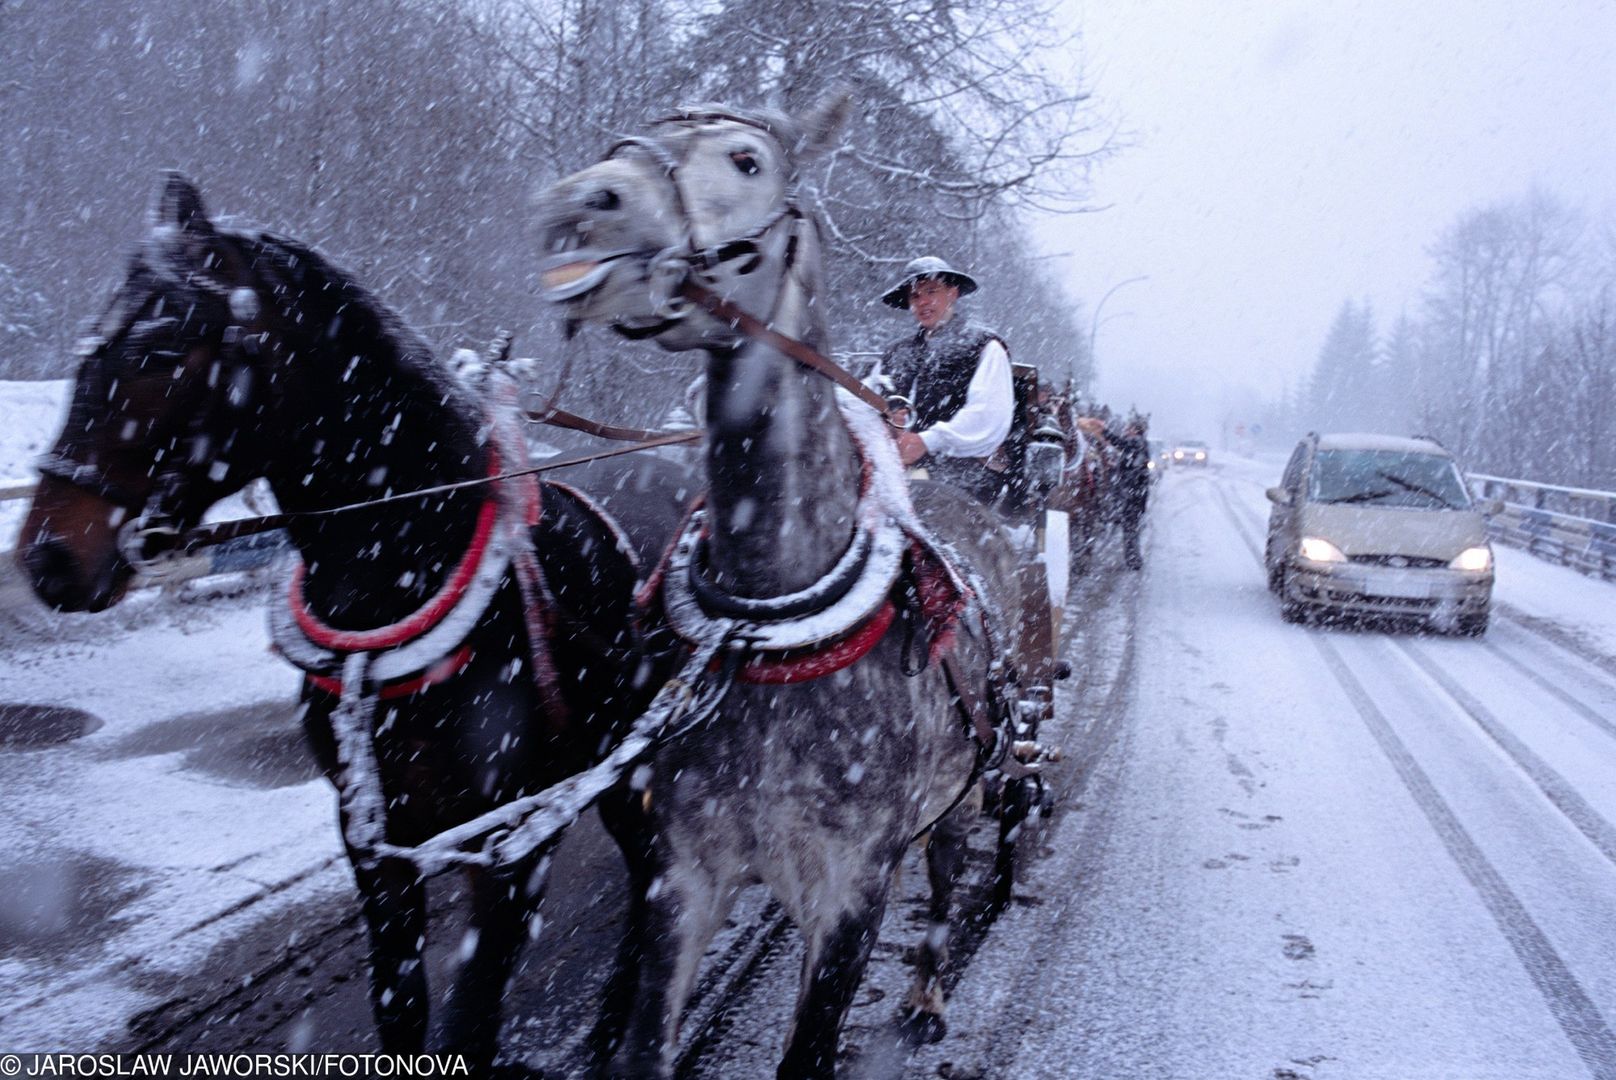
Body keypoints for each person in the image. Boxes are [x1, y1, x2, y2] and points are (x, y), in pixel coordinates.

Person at [871, 256, 1014, 506]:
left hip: (963, 482)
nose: (922, 302)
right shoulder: (895, 354)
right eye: (915, 296)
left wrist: (927, 441)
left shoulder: (984, 347)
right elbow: (868, 404)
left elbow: (988, 417)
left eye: (931, 291)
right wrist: (887, 421)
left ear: (952, 293)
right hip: (893, 478)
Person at [1079, 413, 1151, 570]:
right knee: (1130, 528)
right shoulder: (1139, 444)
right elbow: (1130, 463)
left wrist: (1103, 430)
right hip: (1135, 494)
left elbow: (1119, 443)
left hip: (1133, 495)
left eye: (1129, 427)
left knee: (1130, 528)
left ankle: (1133, 561)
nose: (1126, 429)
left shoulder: (1136, 442)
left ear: (1135, 430)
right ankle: (1133, 559)